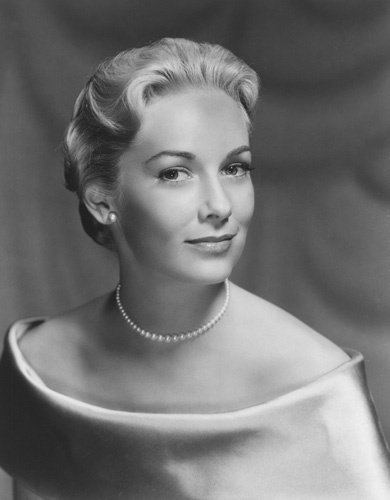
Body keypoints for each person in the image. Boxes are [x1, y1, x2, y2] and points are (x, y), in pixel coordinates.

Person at [0, 38, 389, 500]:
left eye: (235, 168)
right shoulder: (37, 367)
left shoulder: (317, 387)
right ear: (103, 200)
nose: (220, 206)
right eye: (174, 173)